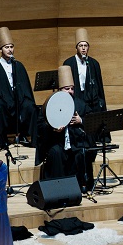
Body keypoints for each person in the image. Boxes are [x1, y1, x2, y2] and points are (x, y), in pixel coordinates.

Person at [36, 66, 95, 194]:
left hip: (75, 142)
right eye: (66, 88)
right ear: (60, 89)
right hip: (57, 142)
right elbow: (40, 124)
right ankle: (58, 190)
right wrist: (52, 128)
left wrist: (81, 121)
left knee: (81, 153)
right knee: (56, 153)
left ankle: (80, 187)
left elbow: (91, 121)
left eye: (72, 89)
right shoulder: (51, 103)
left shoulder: (80, 103)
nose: (70, 91)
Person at [0, 27, 38, 148]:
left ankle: (32, 139)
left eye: (11, 47)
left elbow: (25, 88)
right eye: (7, 47)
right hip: (3, 101)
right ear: (1, 49)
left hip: (18, 99)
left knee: (30, 106)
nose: (10, 50)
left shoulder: (18, 65)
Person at [63, 28, 106, 115]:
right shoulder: (69, 63)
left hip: (91, 99)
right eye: (80, 46)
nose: (83, 48)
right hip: (77, 96)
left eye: (85, 46)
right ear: (76, 47)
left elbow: (99, 86)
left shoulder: (94, 63)